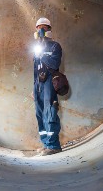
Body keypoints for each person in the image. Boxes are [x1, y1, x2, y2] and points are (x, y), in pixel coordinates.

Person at [32, 17, 63, 156]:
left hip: (49, 82)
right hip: (38, 84)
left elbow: (54, 64)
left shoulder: (55, 46)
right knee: (39, 114)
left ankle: (54, 145)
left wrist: (42, 54)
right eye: (39, 28)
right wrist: (34, 88)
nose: (41, 30)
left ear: (49, 30)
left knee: (49, 112)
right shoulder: (35, 47)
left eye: (44, 28)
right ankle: (46, 144)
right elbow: (35, 69)